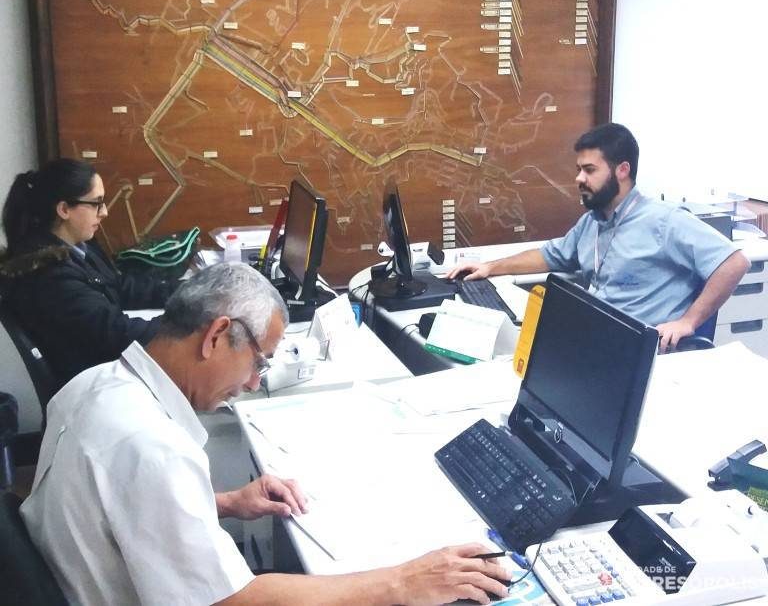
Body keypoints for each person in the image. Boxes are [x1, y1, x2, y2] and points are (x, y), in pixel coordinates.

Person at [21, 263, 510, 606]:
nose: (255, 382)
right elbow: (231, 600)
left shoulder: (91, 386)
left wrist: (225, 502)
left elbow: (114, 505)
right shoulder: (153, 447)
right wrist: (404, 581)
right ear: (216, 336)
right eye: (258, 361)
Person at [449, 123, 749, 352]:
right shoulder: (592, 221)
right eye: (579, 169)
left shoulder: (664, 220)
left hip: (637, 352)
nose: (579, 178)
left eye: (589, 170)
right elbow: (549, 256)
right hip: (592, 342)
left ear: (622, 170)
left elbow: (735, 262)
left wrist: (688, 322)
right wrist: (490, 267)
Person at [0, 158, 179, 386]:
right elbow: (116, 333)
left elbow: (120, 286)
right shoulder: (48, 275)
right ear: (64, 209)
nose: (104, 212)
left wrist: (189, 292)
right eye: (96, 203)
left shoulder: (79, 248)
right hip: (95, 383)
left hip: (108, 366)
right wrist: (187, 324)